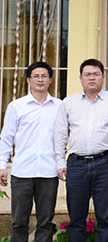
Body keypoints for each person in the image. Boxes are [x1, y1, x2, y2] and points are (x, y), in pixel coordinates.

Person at [53, 58, 108, 242]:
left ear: (103, 76)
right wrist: (60, 162)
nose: (91, 78)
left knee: (106, 217)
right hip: (76, 164)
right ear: (80, 78)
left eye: (96, 74)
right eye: (87, 74)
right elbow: (60, 134)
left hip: (106, 163)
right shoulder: (68, 102)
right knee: (76, 217)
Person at [0, 61, 62, 242]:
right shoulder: (16, 106)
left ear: (50, 80)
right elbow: (6, 138)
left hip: (49, 171)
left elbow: (65, 136)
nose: (40, 80)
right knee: (19, 221)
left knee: (45, 222)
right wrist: (2, 165)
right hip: (22, 172)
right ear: (28, 80)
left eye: (44, 76)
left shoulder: (59, 106)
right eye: (36, 76)